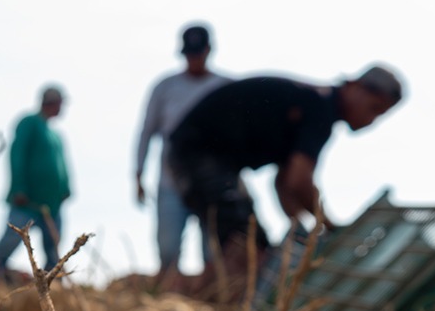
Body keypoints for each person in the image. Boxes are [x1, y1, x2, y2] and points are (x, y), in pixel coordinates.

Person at [165, 64, 405, 266]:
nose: (370, 120)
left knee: (257, 244)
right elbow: (299, 181)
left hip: (209, 157)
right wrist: (329, 225)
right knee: (243, 247)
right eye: (373, 108)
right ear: (355, 87)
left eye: (379, 115)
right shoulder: (320, 108)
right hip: (200, 151)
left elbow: (284, 183)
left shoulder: (313, 104)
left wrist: (299, 229)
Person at [132, 24, 230, 274]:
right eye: (189, 54)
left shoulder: (225, 88)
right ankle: (168, 304)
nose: (193, 59)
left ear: (208, 50)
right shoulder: (165, 88)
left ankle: (212, 304)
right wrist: (138, 174)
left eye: (198, 53)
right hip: (171, 184)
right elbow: (146, 132)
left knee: (214, 252)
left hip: (213, 188)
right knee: (167, 250)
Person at [0, 85, 72, 279]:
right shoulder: (29, 123)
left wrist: (65, 188)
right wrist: (19, 188)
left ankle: (52, 292)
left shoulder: (55, 135)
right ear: (53, 103)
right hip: (27, 202)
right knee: (8, 243)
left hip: (52, 205)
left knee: (53, 252)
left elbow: (61, 165)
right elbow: (17, 154)